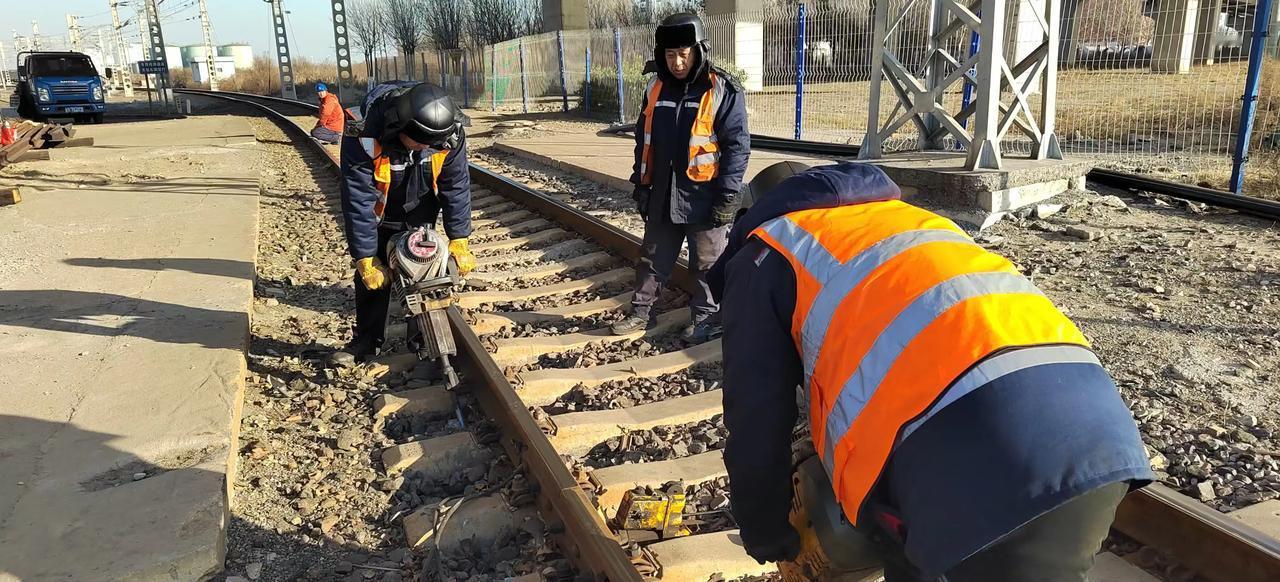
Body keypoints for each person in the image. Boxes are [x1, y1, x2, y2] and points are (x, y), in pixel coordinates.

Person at [710, 161, 1155, 581]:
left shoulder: (768, 250)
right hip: (1099, 425)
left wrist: (764, 528)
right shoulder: (911, 218)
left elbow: (756, 416)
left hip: (983, 452)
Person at [610, 12, 750, 342]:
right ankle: (641, 311)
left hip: (707, 196)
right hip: (663, 192)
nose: (677, 62)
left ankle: (705, 318)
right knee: (652, 257)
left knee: (706, 262)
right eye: (670, 55)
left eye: (683, 54)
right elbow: (644, 140)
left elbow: (737, 146)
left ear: (698, 50)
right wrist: (641, 185)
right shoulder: (656, 87)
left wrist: (729, 196)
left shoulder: (722, 90)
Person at [331, 82, 476, 365]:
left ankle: (423, 341)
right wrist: (365, 256)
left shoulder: (450, 133)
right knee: (373, 278)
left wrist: (459, 237)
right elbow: (358, 198)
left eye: (431, 143)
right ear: (400, 127)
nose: (426, 147)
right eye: (420, 142)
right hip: (379, 211)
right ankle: (367, 341)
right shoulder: (362, 134)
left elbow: (456, 185)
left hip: (420, 203)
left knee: (426, 262)